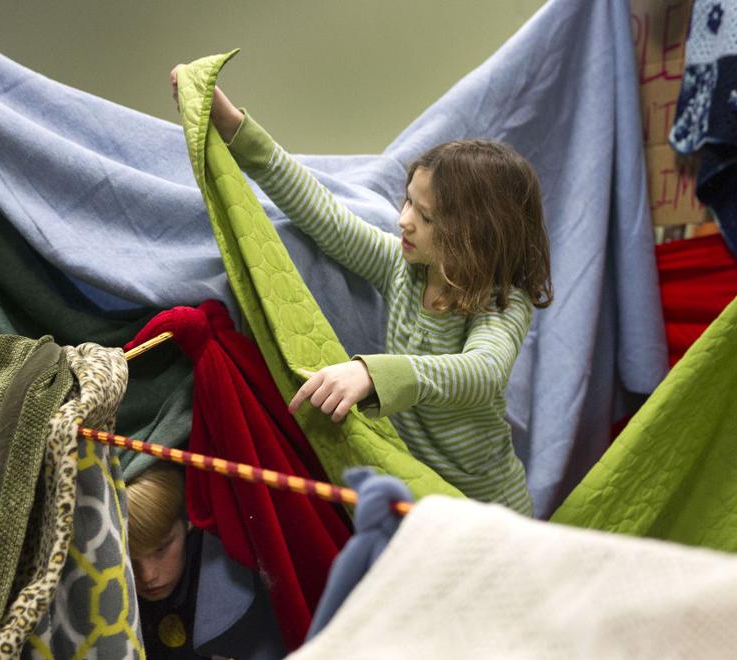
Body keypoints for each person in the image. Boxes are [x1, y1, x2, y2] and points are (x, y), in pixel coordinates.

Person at [170, 65, 552, 516]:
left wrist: (374, 375)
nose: (404, 219)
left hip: (491, 508)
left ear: (476, 234)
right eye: (408, 200)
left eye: (426, 217)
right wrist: (236, 129)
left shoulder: (503, 302)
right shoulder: (400, 267)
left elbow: (480, 370)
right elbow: (324, 217)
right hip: (418, 497)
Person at [127, 464, 286, 659]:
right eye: (129, 558)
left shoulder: (239, 577)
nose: (147, 575)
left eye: (161, 549)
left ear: (188, 521)